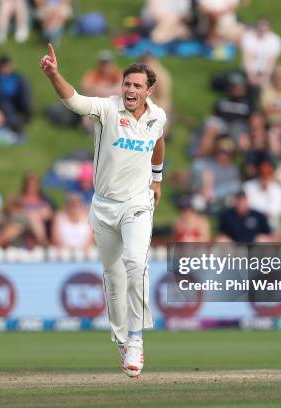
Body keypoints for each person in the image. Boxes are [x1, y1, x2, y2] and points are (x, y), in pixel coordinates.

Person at [40, 43, 166, 378]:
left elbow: (159, 140)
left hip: (137, 204)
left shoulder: (157, 115)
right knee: (113, 276)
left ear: (148, 90)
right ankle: (122, 339)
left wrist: (157, 178)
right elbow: (74, 99)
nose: (130, 90)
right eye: (127, 84)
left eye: (138, 85)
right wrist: (54, 74)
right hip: (104, 205)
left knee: (136, 263)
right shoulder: (107, 109)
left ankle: (137, 338)